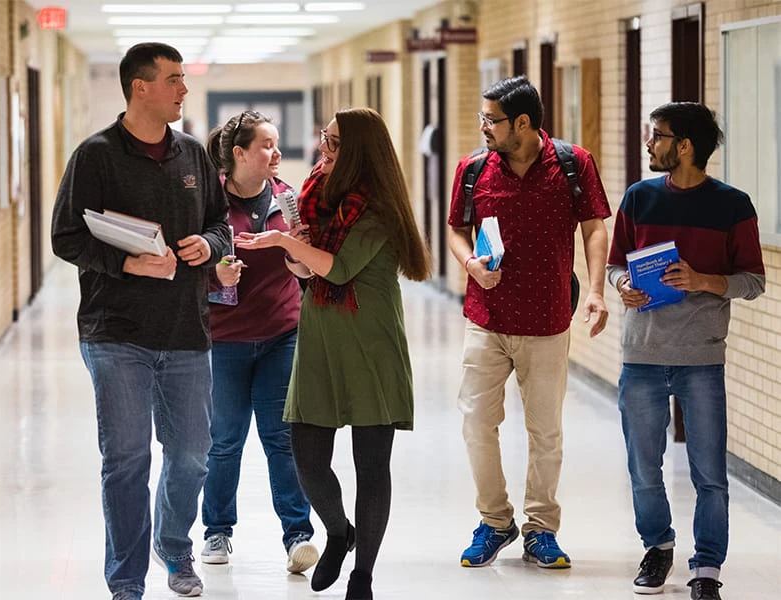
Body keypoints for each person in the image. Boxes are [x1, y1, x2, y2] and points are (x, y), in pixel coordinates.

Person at [51, 42, 230, 600]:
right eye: (173, 79)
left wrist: (208, 243)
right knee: (126, 459)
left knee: (192, 455)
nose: (183, 89)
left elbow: (221, 225)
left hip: (185, 330)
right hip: (115, 332)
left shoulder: (193, 155)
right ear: (140, 87)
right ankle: (126, 580)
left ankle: (174, 548)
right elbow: (66, 237)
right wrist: (127, 261)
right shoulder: (96, 155)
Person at [235, 107, 432, 600]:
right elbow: (310, 273)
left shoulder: (378, 208)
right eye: (326, 136)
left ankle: (363, 573)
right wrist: (296, 253)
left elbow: (340, 270)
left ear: (360, 152)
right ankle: (339, 531)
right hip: (321, 336)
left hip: (370, 342)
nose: (324, 146)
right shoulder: (315, 195)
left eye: (336, 141)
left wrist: (283, 241)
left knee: (371, 466)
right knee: (306, 455)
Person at [446, 75, 611, 570]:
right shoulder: (474, 168)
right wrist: (469, 265)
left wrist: (598, 291)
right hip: (487, 318)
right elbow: (456, 228)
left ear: (522, 122)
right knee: (477, 423)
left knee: (546, 432)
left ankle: (541, 528)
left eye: (491, 120)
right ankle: (494, 521)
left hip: (547, 320)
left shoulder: (572, 163)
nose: (483, 127)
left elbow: (595, 226)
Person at [607, 102, 765, 600]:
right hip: (642, 354)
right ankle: (657, 548)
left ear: (686, 146)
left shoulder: (733, 205)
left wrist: (703, 280)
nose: (650, 144)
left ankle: (707, 568)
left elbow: (753, 281)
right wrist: (622, 283)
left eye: (657, 136)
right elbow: (615, 264)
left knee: (708, 472)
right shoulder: (638, 198)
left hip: (701, 358)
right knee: (643, 466)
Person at [199, 110, 318, 573]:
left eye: (276, 143)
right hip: (225, 340)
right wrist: (215, 275)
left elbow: (306, 264)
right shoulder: (209, 205)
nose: (276, 153)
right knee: (224, 440)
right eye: (266, 145)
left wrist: (297, 260)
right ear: (239, 154)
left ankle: (298, 536)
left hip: (280, 336)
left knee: (282, 438)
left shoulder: (288, 199)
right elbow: (189, 267)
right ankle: (217, 532)